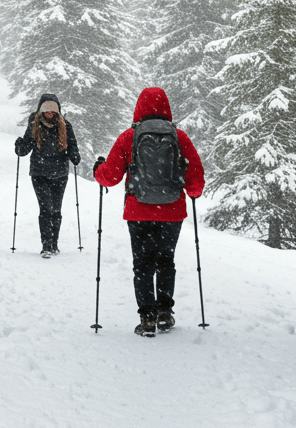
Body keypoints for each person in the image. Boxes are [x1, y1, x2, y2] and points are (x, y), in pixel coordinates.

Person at [91, 87, 205, 337]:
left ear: (139, 108)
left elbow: (110, 176)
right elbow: (195, 176)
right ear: (166, 107)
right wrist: (194, 192)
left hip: (139, 211)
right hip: (172, 211)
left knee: (142, 264)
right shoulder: (179, 137)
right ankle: (165, 312)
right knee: (165, 260)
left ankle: (147, 318)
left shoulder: (129, 137)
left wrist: (98, 169)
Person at [14, 93, 81, 257]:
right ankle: (46, 246)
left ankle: (54, 244)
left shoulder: (66, 126)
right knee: (46, 209)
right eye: (46, 110)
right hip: (40, 174)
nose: (50, 114)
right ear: (41, 110)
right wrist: (20, 147)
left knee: (56, 210)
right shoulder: (34, 125)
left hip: (60, 174)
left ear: (58, 111)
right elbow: (25, 149)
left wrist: (74, 155)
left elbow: (72, 145)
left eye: (53, 111)